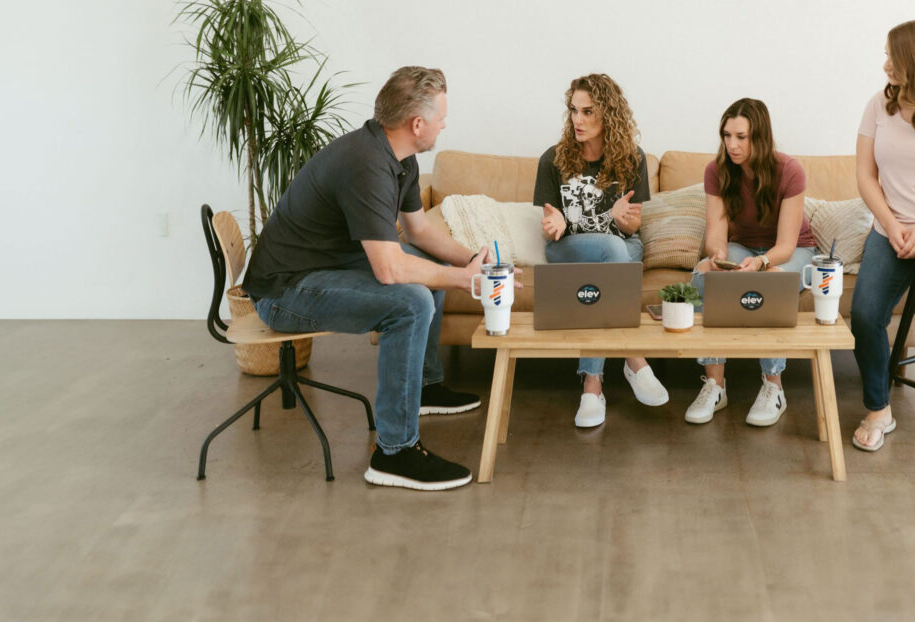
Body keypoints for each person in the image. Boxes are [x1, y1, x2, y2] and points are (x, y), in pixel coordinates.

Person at [244, 66, 509, 491]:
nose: (445, 124)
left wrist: (475, 260)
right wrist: (461, 280)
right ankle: (394, 452)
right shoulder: (366, 164)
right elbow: (388, 269)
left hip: (327, 267)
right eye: (441, 116)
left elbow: (419, 232)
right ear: (417, 124)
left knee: (420, 262)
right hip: (285, 290)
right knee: (412, 300)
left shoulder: (398, 157)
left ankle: (425, 387)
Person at [533, 73, 669, 428]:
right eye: (574, 110)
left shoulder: (631, 158)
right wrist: (557, 224)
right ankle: (634, 358)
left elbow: (632, 228)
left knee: (612, 259)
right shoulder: (554, 159)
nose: (578, 119)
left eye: (588, 111)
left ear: (608, 114)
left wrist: (625, 221)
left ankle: (592, 386)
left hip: (623, 247)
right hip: (569, 250)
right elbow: (551, 225)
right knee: (612, 251)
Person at [851, 19, 915, 451]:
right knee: (864, 314)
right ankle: (879, 409)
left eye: (893, 56)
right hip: (890, 225)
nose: (886, 64)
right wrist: (892, 226)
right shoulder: (879, 105)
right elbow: (864, 174)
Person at [687, 98, 818, 426]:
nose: (731, 145)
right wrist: (718, 258)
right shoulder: (716, 170)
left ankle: (774, 386)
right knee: (703, 275)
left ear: (760, 136)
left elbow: (786, 247)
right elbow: (716, 236)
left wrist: (761, 264)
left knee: (771, 280)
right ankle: (715, 384)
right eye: (726, 135)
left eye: (740, 137)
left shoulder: (789, 170)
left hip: (793, 250)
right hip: (743, 246)